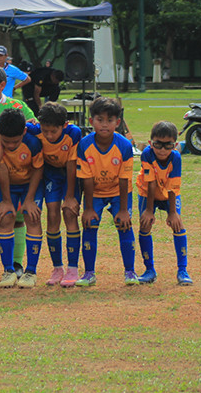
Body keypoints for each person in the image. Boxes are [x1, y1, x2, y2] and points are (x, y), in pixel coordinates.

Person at [76, 97, 134, 287]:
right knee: (90, 224)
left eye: (110, 121)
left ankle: (130, 271)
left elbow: (125, 178)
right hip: (95, 193)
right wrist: (89, 208)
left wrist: (124, 209)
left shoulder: (124, 145)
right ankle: (89, 273)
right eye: (100, 119)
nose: (104, 125)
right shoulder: (84, 145)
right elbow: (87, 178)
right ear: (91, 121)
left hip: (120, 192)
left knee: (124, 225)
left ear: (117, 123)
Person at [26, 102, 83, 287]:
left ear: (64, 125)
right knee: (52, 214)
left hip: (70, 176)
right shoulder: (33, 129)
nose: (49, 135)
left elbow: (71, 165)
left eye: (53, 131)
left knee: (69, 213)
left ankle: (73, 268)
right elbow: (4, 127)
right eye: (45, 131)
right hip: (51, 176)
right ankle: (57, 267)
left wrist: (70, 196)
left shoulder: (73, 133)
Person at [0, 109, 45, 288]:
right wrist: (6, 200)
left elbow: (38, 170)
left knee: (32, 216)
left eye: (16, 141)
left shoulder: (33, 141)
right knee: (5, 218)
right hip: (7, 185)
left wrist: (28, 199)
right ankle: (9, 271)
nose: (11, 146)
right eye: (6, 142)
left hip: (30, 184)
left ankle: (31, 272)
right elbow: (1, 169)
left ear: (24, 132)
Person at [137, 121, 192, 285]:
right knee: (145, 225)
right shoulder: (147, 154)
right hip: (148, 193)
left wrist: (173, 213)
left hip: (170, 194)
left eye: (167, 145)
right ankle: (149, 270)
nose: (162, 150)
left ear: (175, 145)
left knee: (178, 225)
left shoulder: (176, 157)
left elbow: (173, 186)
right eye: (157, 144)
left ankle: (182, 270)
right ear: (150, 143)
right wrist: (149, 210)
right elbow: (150, 182)